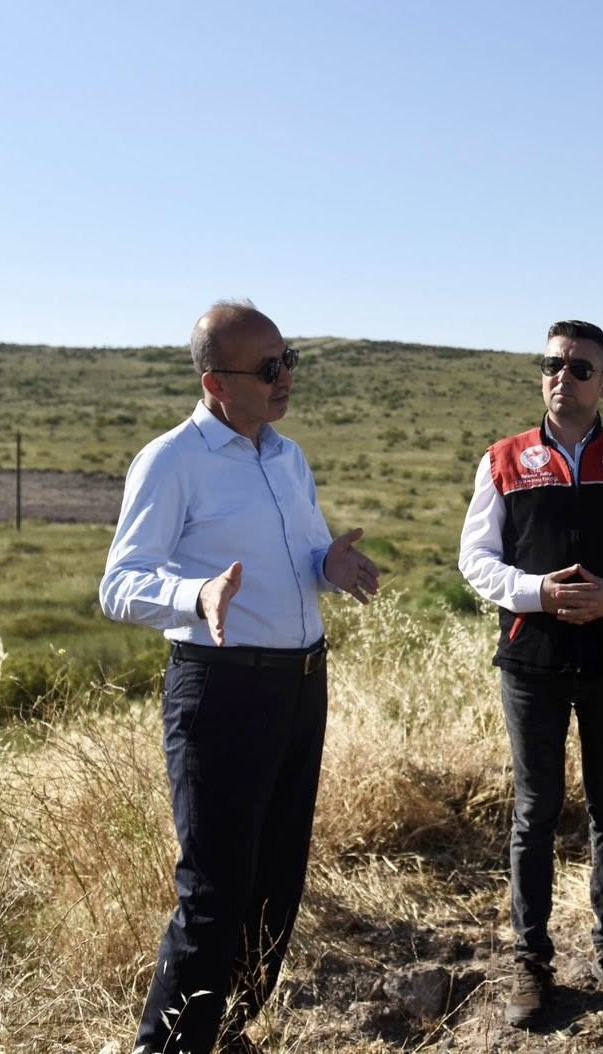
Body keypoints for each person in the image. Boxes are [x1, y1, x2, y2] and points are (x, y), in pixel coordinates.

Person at [101, 301, 381, 1054]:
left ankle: (225, 1033)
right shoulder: (171, 461)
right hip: (222, 692)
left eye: (289, 360)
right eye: (267, 368)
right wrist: (195, 595)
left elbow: (302, 556)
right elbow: (119, 584)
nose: (285, 377)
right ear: (215, 383)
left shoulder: (288, 457)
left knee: (276, 887)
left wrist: (330, 565)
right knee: (215, 894)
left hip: (301, 686)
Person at [458, 319, 603, 1028]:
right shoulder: (504, 460)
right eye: (552, 364)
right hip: (534, 660)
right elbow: (475, 558)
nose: (563, 376)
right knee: (536, 809)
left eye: (580, 368)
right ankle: (531, 958)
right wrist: (536, 593)